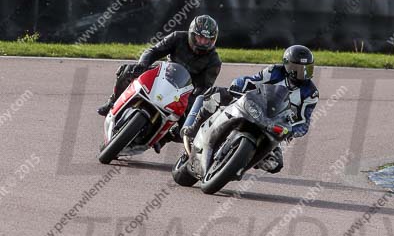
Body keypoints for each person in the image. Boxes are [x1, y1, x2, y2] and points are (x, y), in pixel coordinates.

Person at [181, 44, 318, 174]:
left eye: (308, 69)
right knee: (214, 95)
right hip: (254, 107)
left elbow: (304, 121)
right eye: (300, 69)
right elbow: (250, 80)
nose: (304, 73)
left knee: (275, 164)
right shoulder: (274, 71)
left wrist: (291, 130)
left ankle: (241, 162)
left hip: (276, 125)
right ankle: (193, 129)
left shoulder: (311, 93)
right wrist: (238, 85)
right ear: (288, 66)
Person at [97, 14, 221, 125]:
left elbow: (205, 87)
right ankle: (112, 102)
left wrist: (192, 98)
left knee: (194, 114)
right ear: (192, 34)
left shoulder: (214, 60)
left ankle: (167, 137)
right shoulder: (177, 37)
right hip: (164, 74)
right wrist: (142, 65)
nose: (203, 42)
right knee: (127, 70)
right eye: (200, 38)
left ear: (213, 40)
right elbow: (153, 51)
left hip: (184, 92)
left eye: (207, 40)